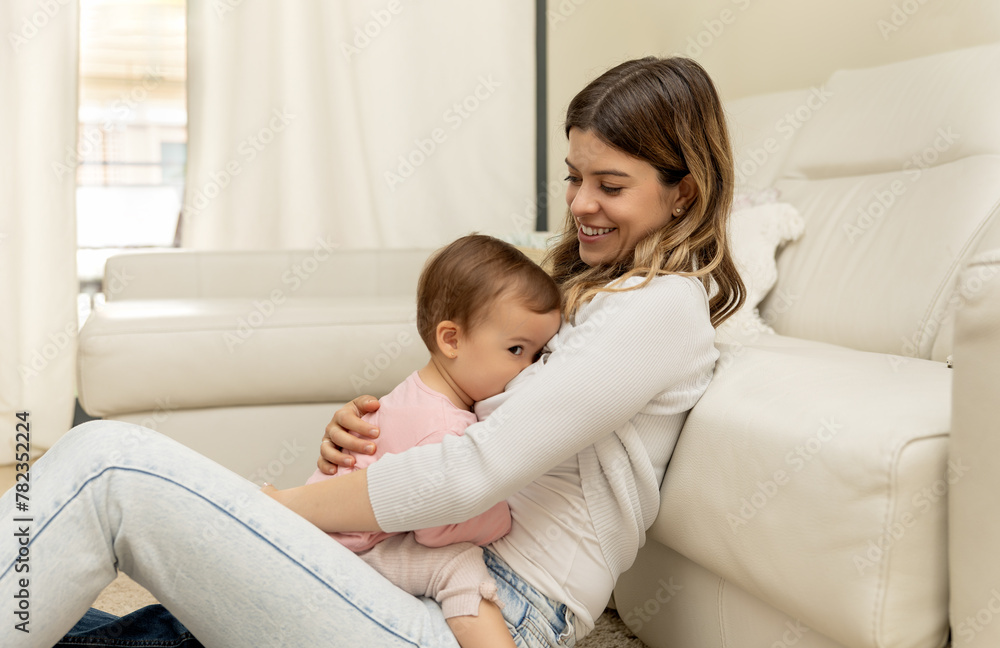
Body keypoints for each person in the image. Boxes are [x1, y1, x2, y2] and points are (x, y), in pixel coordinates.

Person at [0, 56, 744, 648]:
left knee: (109, 465)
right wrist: (371, 441)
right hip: (403, 574)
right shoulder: (588, 297)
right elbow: (464, 410)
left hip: (478, 616)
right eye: (575, 178)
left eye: (609, 185)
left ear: (684, 194)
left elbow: (468, 476)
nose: (580, 203)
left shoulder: (662, 308)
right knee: (81, 614)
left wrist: (283, 510)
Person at [264, 233, 562, 648]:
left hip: (337, 537)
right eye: (516, 350)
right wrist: (501, 516)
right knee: (457, 564)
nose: (526, 370)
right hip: (352, 556)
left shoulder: (416, 392)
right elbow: (438, 529)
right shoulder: (444, 430)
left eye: (536, 355)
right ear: (452, 340)